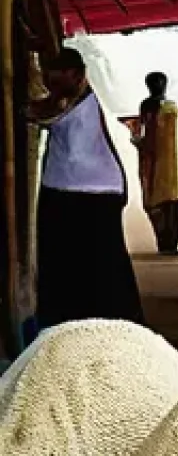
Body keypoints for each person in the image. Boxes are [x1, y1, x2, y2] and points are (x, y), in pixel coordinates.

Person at [27, 47, 144, 328]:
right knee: (86, 263)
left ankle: (98, 322)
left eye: (58, 78)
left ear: (77, 75)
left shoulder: (72, 99)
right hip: (79, 188)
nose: (52, 85)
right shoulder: (73, 97)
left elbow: (38, 113)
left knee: (91, 264)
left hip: (84, 191)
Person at [131, 71, 178, 254]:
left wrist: (139, 141)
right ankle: (169, 243)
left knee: (158, 199)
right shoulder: (169, 107)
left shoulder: (152, 106)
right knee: (169, 200)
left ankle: (165, 243)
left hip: (157, 160)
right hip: (168, 161)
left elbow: (146, 134)